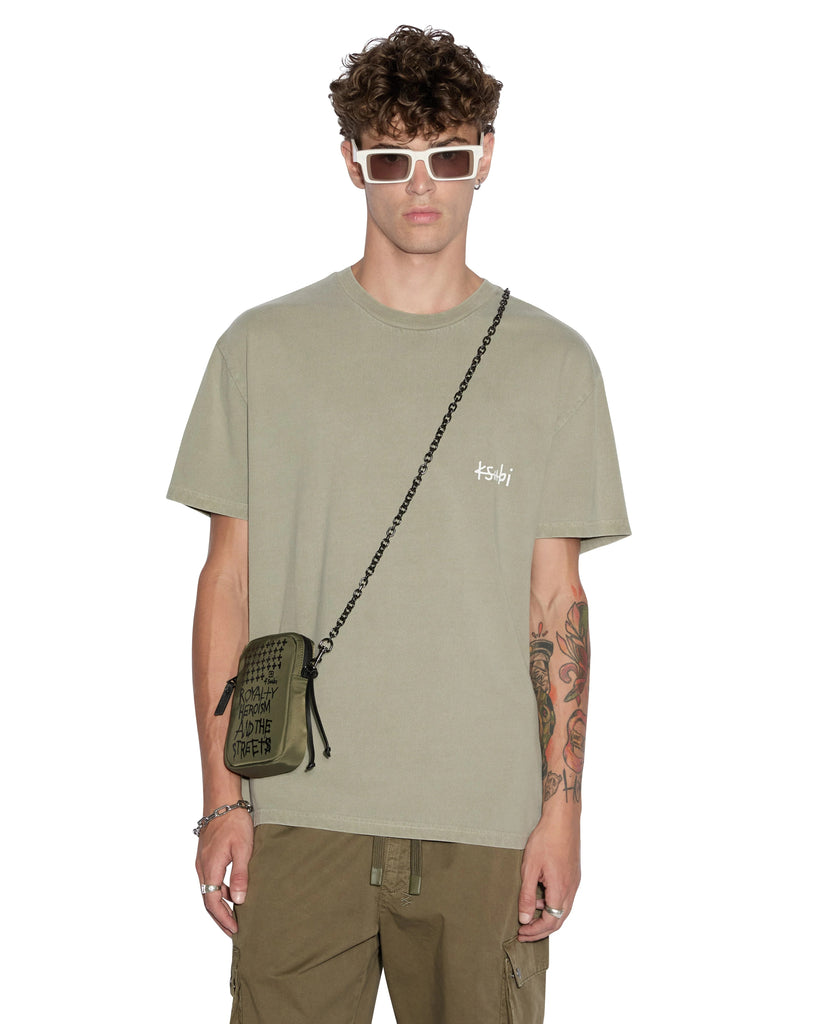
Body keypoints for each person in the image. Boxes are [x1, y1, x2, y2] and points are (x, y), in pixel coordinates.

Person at [168, 25, 630, 1024]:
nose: (422, 186)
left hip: (483, 822)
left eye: (447, 156)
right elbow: (225, 583)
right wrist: (222, 801)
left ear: (486, 157)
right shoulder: (262, 348)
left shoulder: (553, 364)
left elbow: (556, 604)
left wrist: (561, 814)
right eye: (392, 158)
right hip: (299, 813)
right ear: (353, 163)